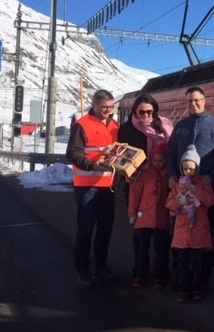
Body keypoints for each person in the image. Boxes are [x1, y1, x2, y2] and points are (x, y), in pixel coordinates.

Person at [167, 86, 214, 295]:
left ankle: (203, 278)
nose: (193, 104)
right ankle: (180, 274)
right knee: (178, 231)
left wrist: (210, 176)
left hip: (205, 191)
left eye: (196, 100)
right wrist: (171, 175)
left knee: (205, 234)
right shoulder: (181, 127)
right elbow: (170, 153)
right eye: (189, 101)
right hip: (181, 189)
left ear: (204, 100)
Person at [66, 89, 119, 290]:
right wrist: (92, 165)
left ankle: (101, 267)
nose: (108, 110)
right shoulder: (82, 125)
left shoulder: (115, 126)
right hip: (86, 186)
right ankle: (82, 270)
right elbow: (72, 154)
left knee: (106, 228)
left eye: (110, 107)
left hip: (107, 186)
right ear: (95, 105)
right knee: (86, 229)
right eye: (104, 107)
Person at [117, 94, 174, 278]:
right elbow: (118, 156)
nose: (146, 115)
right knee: (139, 227)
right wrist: (124, 173)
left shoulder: (163, 126)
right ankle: (139, 265)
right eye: (141, 112)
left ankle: (161, 268)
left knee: (162, 226)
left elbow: (172, 151)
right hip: (136, 183)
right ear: (135, 111)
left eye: (150, 111)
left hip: (161, 181)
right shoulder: (126, 129)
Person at [166, 144, 214, 303]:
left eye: (191, 169)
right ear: (181, 168)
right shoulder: (177, 184)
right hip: (182, 231)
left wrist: (195, 190)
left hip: (198, 230)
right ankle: (184, 290)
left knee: (196, 263)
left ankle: (197, 289)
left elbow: (209, 201)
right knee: (183, 263)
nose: (188, 172)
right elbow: (169, 203)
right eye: (185, 168)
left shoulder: (203, 183)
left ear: (197, 168)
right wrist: (179, 202)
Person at [128, 141, 171, 289]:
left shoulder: (168, 176)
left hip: (161, 217)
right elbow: (134, 194)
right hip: (143, 215)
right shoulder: (144, 174)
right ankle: (141, 275)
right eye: (155, 160)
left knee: (161, 249)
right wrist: (132, 213)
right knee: (142, 248)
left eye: (161, 160)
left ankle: (159, 276)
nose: (157, 163)